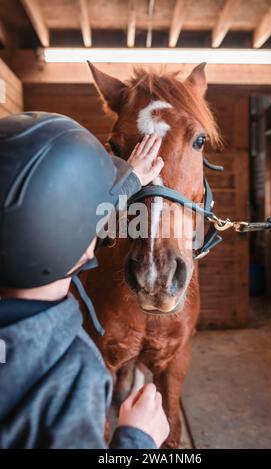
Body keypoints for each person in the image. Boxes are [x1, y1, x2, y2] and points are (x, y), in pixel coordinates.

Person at [0, 112, 169, 449]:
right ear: (81, 247)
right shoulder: (73, 369)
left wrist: (129, 179)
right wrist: (137, 439)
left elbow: (38, 222)